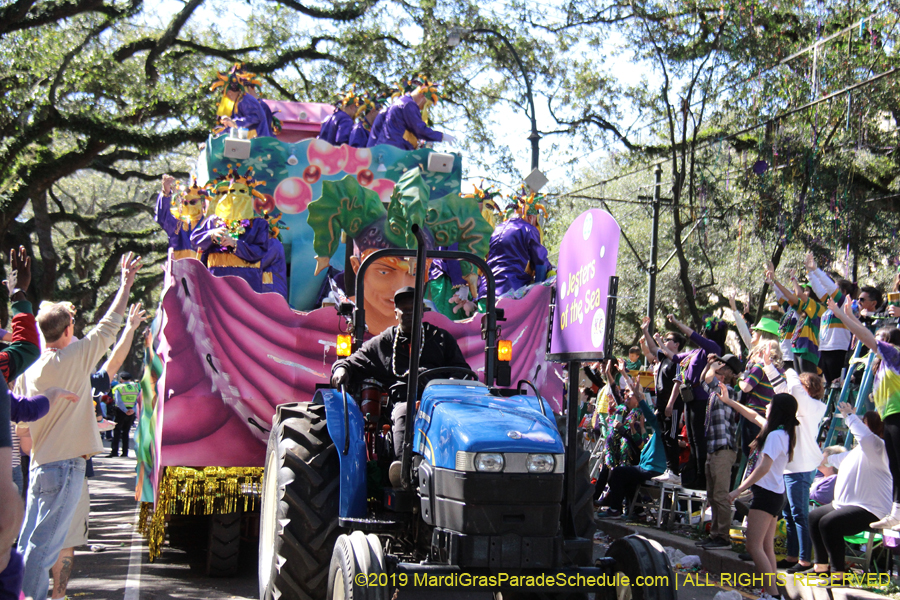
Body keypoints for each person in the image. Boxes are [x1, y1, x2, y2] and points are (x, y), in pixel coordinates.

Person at [15, 252, 141, 600]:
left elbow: (22, 427)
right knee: (45, 548)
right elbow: (110, 323)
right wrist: (125, 283)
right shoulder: (76, 356)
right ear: (69, 329)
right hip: (68, 467)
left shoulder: (30, 371)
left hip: (40, 468)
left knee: (30, 542)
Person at [331, 286, 470, 486]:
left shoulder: (441, 339)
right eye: (404, 310)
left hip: (441, 404)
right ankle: (403, 473)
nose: (408, 314)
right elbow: (351, 362)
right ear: (395, 313)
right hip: (404, 404)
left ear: (422, 311)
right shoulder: (384, 343)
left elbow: (461, 370)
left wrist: (451, 382)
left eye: (413, 309)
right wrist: (341, 369)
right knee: (405, 411)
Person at [826, 295, 900, 529]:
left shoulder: (895, 355)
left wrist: (843, 316)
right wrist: (849, 317)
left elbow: (866, 336)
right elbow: (864, 335)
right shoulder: (883, 365)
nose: (874, 341)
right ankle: (896, 512)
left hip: (898, 415)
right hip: (890, 415)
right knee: (895, 466)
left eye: (880, 339)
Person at [723, 392, 799, 600]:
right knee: (766, 547)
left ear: (778, 410)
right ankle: (772, 593)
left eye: (770, 404)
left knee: (753, 546)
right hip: (775, 495)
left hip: (766, 496)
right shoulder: (782, 432)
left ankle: (773, 595)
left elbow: (764, 467)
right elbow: (752, 415)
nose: (766, 406)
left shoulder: (775, 435)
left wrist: (739, 489)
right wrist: (729, 401)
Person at [808, 403, 891, 581]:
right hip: (844, 505)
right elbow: (829, 461)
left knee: (829, 524)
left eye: (865, 422)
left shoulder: (879, 447)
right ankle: (821, 568)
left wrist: (848, 416)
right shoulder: (859, 451)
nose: (862, 424)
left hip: (871, 509)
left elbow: (864, 435)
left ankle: (839, 575)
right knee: (814, 517)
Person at [767, 367, 826, 574]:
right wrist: (768, 365)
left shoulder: (815, 406)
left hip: (801, 469)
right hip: (790, 467)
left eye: (800, 386)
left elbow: (793, 387)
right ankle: (793, 556)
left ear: (806, 388)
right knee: (789, 514)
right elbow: (783, 389)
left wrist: (790, 369)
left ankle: (804, 561)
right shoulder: (800, 405)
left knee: (800, 514)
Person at [656, 313, 725, 489]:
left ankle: (702, 477)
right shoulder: (697, 352)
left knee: (699, 439)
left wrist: (677, 322)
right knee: (692, 439)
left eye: (704, 332)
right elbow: (676, 357)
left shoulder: (713, 347)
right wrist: (659, 342)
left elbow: (691, 335)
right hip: (691, 398)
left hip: (702, 398)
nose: (701, 334)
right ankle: (695, 473)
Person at [595, 372, 665, 517]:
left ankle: (614, 509)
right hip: (643, 465)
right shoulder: (655, 429)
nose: (626, 394)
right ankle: (637, 511)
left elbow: (639, 443)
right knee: (621, 473)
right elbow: (643, 445)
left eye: (629, 392)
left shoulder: (658, 426)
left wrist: (638, 395)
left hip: (650, 468)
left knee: (619, 472)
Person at [192, 168, 269, 293]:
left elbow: (260, 251)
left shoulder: (258, 224)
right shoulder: (213, 221)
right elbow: (195, 240)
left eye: (242, 191)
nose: (236, 195)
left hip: (247, 282)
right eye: (232, 191)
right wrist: (211, 234)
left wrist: (236, 245)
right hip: (215, 280)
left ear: (249, 196)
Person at [695, 353, 742, 549]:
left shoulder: (727, 391)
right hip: (714, 448)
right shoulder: (715, 390)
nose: (718, 367)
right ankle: (715, 534)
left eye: (723, 365)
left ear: (728, 373)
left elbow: (707, 379)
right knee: (712, 495)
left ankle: (723, 537)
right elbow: (701, 380)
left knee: (721, 495)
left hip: (724, 449)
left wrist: (712, 364)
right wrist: (709, 364)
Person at [477, 189, 551, 299]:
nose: (536, 225)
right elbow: (540, 262)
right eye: (536, 220)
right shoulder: (528, 229)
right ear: (531, 217)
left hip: (485, 291)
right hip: (510, 292)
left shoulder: (498, 228)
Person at [640, 317, 686, 484]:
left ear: (676, 345)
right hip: (662, 405)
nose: (665, 342)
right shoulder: (664, 358)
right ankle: (669, 469)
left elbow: (678, 383)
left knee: (671, 436)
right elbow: (652, 348)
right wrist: (646, 331)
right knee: (665, 437)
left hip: (672, 405)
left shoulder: (678, 360)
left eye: (669, 340)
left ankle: (674, 471)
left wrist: (670, 403)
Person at [804, 253, 856, 386]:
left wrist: (816, 270)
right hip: (825, 350)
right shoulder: (830, 306)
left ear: (843, 292)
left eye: (836, 290)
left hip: (838, 350)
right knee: (828, 386)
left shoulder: (845, 303)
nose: (829, 292)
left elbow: (829, 288)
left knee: (837, 385)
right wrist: (810, 273)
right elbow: (819, 290)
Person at [766, 264, 825, 374]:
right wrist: (774, 280)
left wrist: (793, 278)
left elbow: (797, 294)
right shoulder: (804, 309)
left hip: (808, 351)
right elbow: (789, 296)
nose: (805, 293)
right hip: (798, 349)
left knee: (807, 385)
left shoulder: (817, 308)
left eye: (807, 290)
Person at [373, 76, 456, 150]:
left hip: (385, 147)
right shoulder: (409, 104)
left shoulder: (402, 100)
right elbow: (419, 129)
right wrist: (442, 136)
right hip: (393, 150)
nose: (423, 107)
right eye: (425, 103)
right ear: (422, 96)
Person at [154, 174, 206, 261]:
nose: (189, 205)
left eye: (193, 202)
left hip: (203, 272)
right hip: (181, 271)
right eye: (185, 203)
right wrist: (166, 193)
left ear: (203, 203)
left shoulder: (210, 225)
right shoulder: (179, 224)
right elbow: (162, 218)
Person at [212, 64, 273, 138]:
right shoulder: (236, 104)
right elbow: (232, 127)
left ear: (230, 92)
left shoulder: (246, 100)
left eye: (226, 93)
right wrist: (218, 136)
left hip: (257, 141)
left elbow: (255, 117)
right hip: (246, 143)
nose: (226, 96)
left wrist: (234, 123)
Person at [109, 371, 141, 458]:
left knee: (117, 432)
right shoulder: (135, 387)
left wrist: (125, 410)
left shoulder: (118, 387)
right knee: (126, 432)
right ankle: (125, 452)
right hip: (131, 412)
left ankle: (115, 451)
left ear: (121, 379)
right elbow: (138, 400)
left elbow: (118, 401)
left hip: (120, 411)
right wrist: (133, 410)